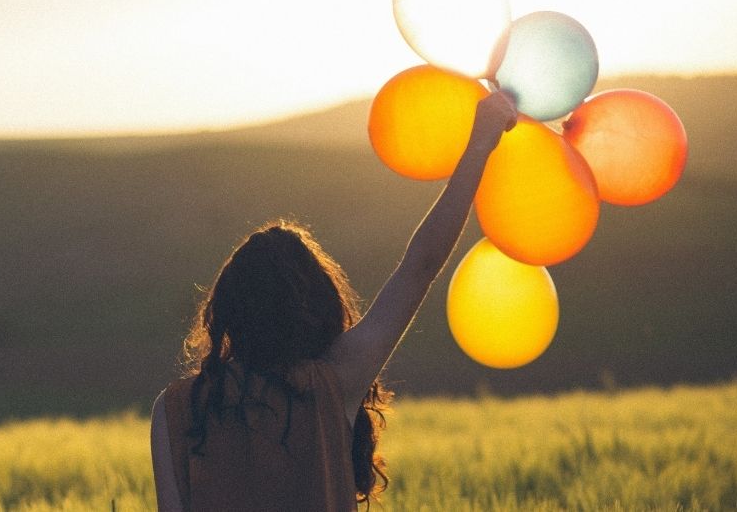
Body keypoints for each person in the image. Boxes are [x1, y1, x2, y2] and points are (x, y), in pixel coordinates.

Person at [150, 89, 518, 511]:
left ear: (229, 309)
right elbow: (421, 264)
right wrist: (480, 142)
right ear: (316, 306)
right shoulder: (331, 384)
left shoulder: (176, 409)